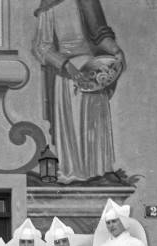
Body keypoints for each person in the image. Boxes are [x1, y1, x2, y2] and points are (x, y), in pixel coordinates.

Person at [32, 0, 125, 182]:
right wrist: (67, 65)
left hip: (95, 70)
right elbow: (42, 46)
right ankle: (74, 172)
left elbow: (100, 34)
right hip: (68, 74)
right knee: (74, 124)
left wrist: (116, 51)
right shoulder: (51, 4)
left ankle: (99, 171)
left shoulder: (89, 2)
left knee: (95, 124)